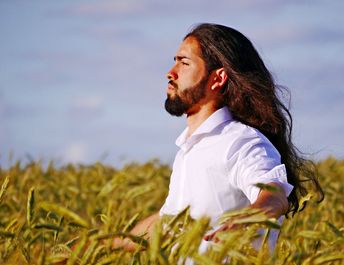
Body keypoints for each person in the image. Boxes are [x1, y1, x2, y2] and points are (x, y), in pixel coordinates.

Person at [113, 23, 323, 252]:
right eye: (175, 61)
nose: (171, 72)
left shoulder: (241, 141)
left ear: (218, 78)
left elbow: (274, 195)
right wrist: (102, 246)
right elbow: (167, 223)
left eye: (184, 63)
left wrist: (244, 222)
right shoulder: (190, 150)